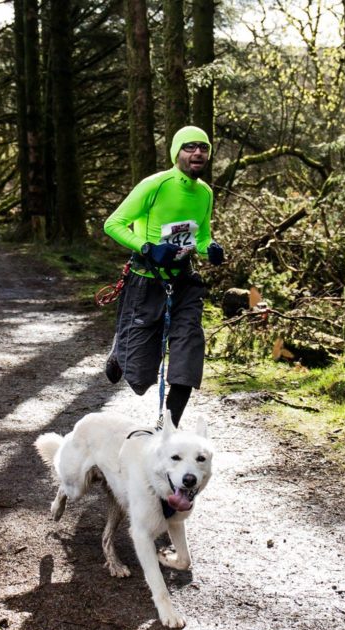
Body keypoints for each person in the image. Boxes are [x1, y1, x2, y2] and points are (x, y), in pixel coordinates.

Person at [103, 125, 225, 427]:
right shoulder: (155, 185)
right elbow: (113, 224)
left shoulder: (205, 193)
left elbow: (202, 235)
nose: (198, 152)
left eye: (203, 147)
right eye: (190, 147)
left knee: (188, 352)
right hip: (146, 282)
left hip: (184, 283)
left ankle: (168, 428)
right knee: (138, 372)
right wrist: (147, 247)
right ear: (176, 153)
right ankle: (120, 351)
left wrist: (211, 248)